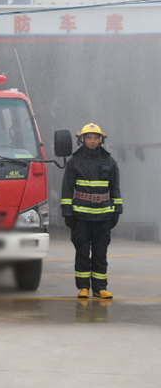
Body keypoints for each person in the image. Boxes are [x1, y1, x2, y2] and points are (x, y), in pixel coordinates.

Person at [61, 123, 122, 300]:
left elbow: (115, 188)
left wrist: (117, 210)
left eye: (96, 138)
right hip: (80, 217)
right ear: (82, 139)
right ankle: (83, 288)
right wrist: (67, 212)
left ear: (101, 139)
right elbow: (67, 188)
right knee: (82, 253)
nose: (92, 141)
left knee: (100, 253)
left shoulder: (110, 162)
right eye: (89, 137)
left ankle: (99, 288)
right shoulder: (74, 162)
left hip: (103, 216)